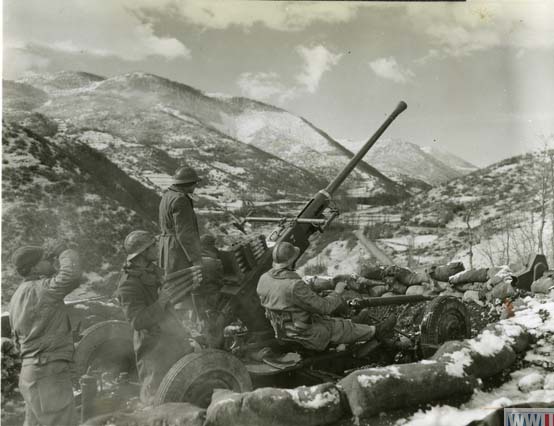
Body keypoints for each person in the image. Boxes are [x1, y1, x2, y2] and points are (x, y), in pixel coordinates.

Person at [257, 242, 396, 352]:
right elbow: (325, 307)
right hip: (305, 335)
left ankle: (356, 323)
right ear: (291, 262)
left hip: (283, 331)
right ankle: (376, 331)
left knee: (334, 322)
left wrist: (330, 283)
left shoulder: (264, 279)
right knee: (339, 327)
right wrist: (337, 291)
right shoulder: (294, 286)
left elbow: (290, 295)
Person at [9, 242, 81, 426]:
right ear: (35, 267)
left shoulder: (17, 296)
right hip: (48, 373)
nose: (52, 263)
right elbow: (71, 275)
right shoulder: (42, 289)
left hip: (31, 372)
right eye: (47, 260)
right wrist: (63, 252)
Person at [116, 230, 193, 404]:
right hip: (154, 350)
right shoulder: (128, 284)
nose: (158, 248)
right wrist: (162, 301)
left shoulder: (152, 272)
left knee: (181, 395)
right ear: (143, 252)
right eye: (153, 245)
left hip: (174, 342)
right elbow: (138, 321)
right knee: (155, 399)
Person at [159, 166, 202, 276]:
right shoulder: (181, 199)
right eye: (195, 183)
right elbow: (184, 234)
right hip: (178, 250)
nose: (195, 187)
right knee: (182, 285)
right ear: (189, 184)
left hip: (167, 247)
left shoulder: (167, 195)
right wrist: (195, 259)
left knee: (171, 283)